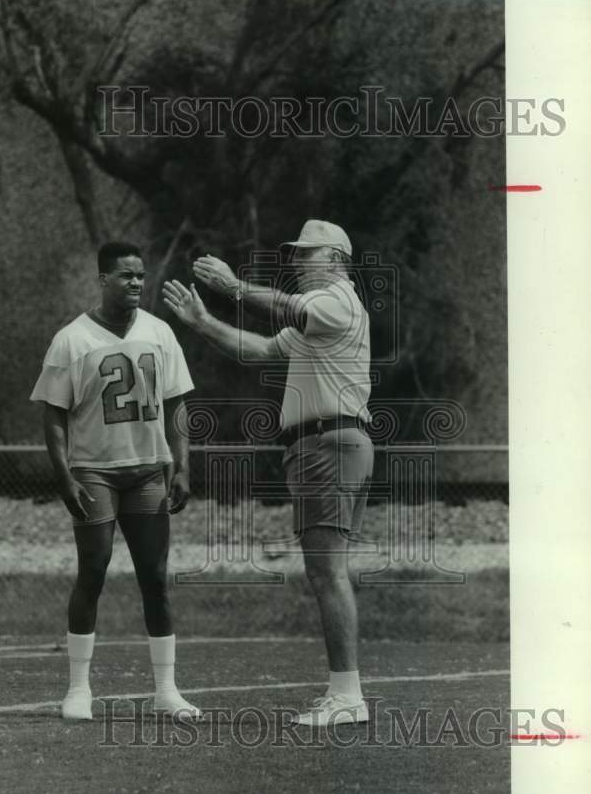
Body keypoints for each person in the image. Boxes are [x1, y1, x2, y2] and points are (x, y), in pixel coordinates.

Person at [162, 219, 374, 727]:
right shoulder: (318, 319)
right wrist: (201, 321)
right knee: (330, 570)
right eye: (296, 254)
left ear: (337, 260)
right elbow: (256, 349)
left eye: (308, 254)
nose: (298, 262)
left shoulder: (337, 300)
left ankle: (347, 695)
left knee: (326, 572)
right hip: (325, 442)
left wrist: (233, 287)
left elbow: (284, 306)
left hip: (330, 441)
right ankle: (345, 692)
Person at [31, 241, 202, 721]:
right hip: (95, 471)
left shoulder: (160, 332)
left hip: (148, 468)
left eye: (140, 276)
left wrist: (183, 465)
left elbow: (176, 404)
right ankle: (78, 688)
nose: (135, 283)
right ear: (102, 279)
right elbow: (54, 413)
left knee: (155, 578)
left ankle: (166, 690)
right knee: (94, 570)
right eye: (125, 275)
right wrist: (64, 475)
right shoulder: (72, 339)